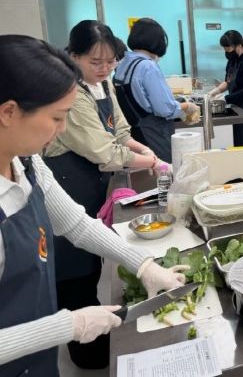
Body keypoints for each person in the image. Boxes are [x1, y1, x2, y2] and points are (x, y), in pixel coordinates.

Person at [0, 34, 188, 375]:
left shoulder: (26, 162)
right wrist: (68, 326)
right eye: (56, 118)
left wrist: (144, 265)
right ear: (9, 112)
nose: (61, 131)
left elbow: (75, 224)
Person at [42, 20, 171, 369]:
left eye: (110, 61)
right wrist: (153, 162)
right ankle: (86, 355)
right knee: (74, 273)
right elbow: (104, 152)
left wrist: (145, 151)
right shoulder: (72, 94)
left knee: (90, 263)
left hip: (90, 187)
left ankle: (95, 341)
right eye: (95, 61)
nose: (104, 68)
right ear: (73, 56)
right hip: (68, 185)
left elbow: (120, 131)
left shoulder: (102, 84)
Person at [113, 18, 199, 162]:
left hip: (133, 133)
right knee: (165, 170)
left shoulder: (123, 64)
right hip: (154, 133)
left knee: (145, 170)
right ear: (158, 42)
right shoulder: (148, 66)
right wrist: (187, 106)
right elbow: (164, 109)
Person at [207, 30, 243, 146]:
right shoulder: (232, 61)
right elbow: (228, 81)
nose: (226, 51)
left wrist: (226, 98)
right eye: (224, 48)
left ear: (238, 45)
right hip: (238, 108)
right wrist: (215, 91)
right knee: (239, 143)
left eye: (228, 48)